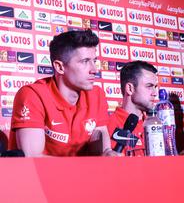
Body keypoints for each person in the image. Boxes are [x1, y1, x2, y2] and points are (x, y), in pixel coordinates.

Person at [9, 29, 118, 157]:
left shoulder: (96, 94)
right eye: (85, 61)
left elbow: (101, 147)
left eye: (94, 61)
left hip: (83, 176)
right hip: (37, 176)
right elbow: (33, 159)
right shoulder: (33, 95)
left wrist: (108, 154)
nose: (94, 70)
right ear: (60, 67)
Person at [107, 61, 158, 156]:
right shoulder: (110, 126)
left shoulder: (156, 125)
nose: (155, 93)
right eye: (149, 86)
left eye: (155, 87)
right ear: (130, 89)